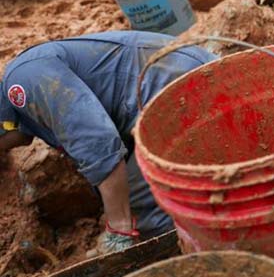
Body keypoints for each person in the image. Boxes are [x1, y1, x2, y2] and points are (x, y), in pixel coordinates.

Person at [0, 31, 214, 254]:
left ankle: (205, 264)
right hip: (172, 87)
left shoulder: (23, 80)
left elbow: (99, 145)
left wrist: (119, 227)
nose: (7, 150)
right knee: (131, 199)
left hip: (182, 86)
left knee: (141, 207)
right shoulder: (24, 105)